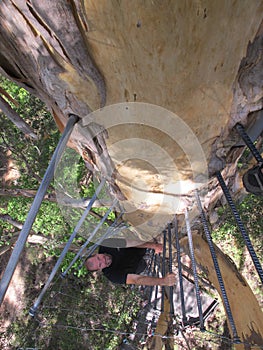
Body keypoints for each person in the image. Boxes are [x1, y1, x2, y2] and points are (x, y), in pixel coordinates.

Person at [85, 238, 176, 286]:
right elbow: (136, 280)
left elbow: (130, 242)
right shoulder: (112, 276)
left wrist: (154, 246)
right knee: (143, 266)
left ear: (96, 254)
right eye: (101, 264)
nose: (103, 260)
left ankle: (152, 250)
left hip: (136, 249)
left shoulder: (107, 243)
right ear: (100, 269)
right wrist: (163, 281)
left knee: (149, 243)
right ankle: (151, 259)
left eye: (99, 258)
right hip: (135, 266)